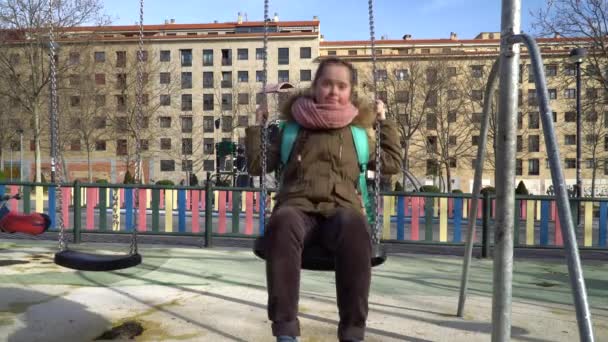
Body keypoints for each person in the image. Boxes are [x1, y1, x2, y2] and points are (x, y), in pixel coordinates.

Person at [245, 57, 401, 342]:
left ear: (350, 91)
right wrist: (258, 127)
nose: (333, 91)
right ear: (315, 87)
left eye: (341, 86)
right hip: (298, 207)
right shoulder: (292, 129)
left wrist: (383, 122)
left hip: (342, 210)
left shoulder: (357, 135)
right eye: (327, 83)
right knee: (283, 222)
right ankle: (286, 332)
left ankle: (353, 333)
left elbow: (391, 163)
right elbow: (257, 165)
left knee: (355, 228)